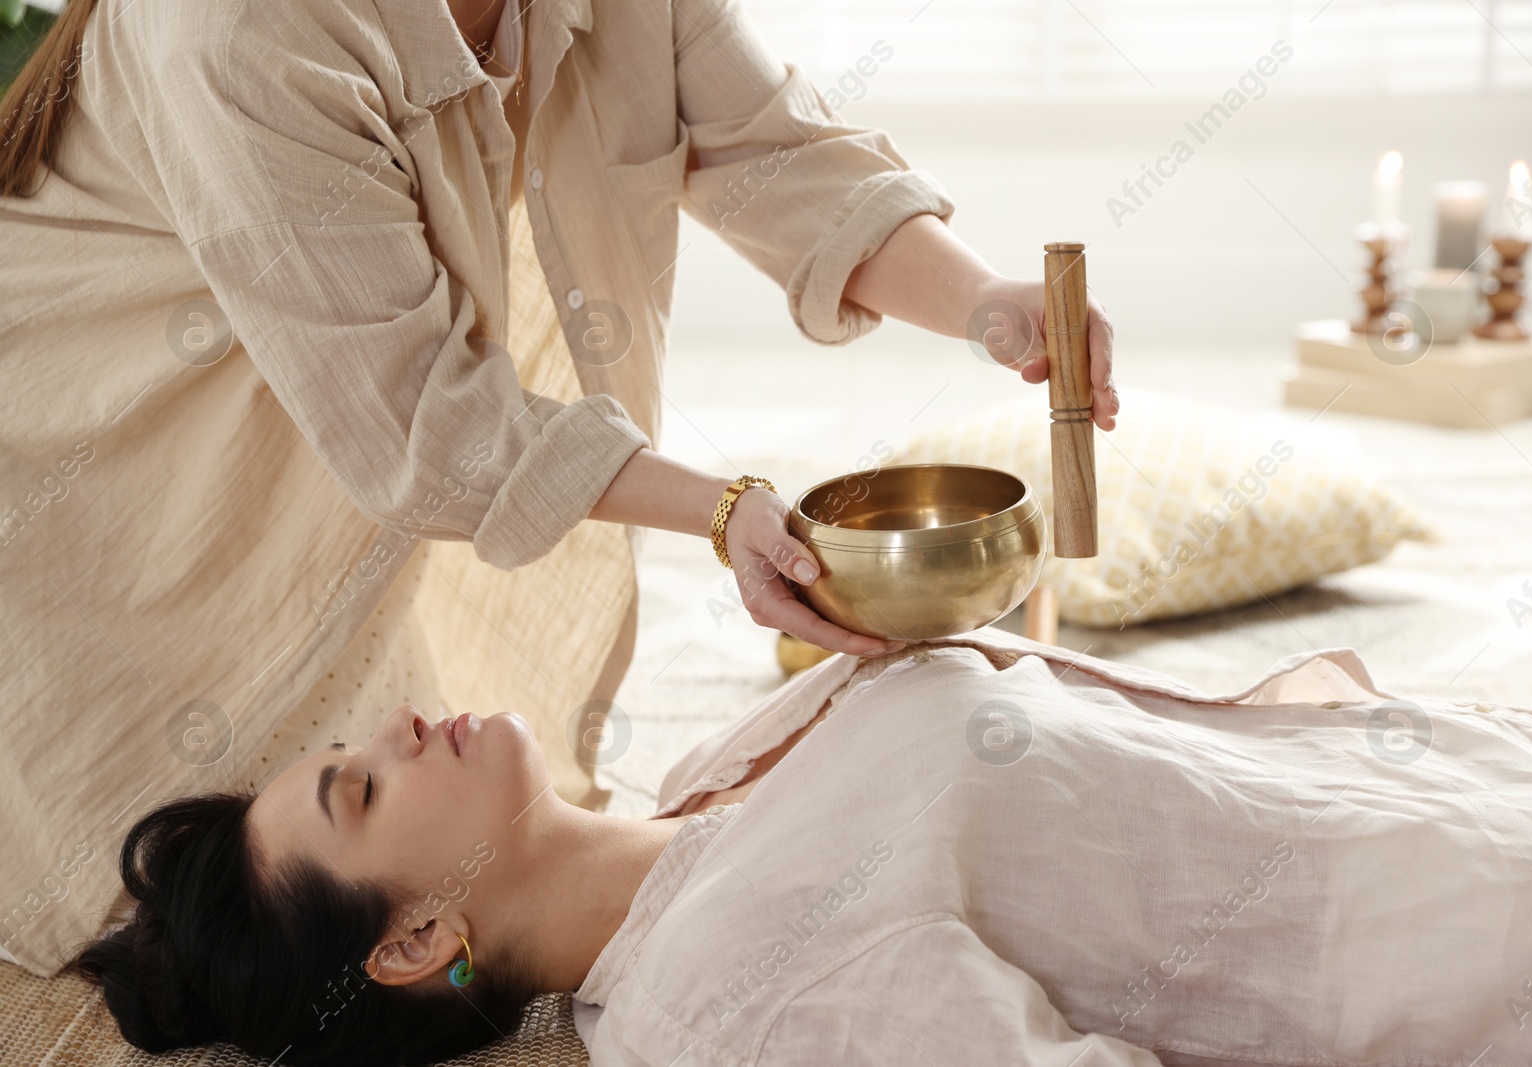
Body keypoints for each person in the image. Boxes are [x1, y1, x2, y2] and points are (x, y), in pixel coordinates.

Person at [0, 0, 1117, 976]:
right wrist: (724, 512)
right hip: (99, 465)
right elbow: (427, 425)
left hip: (344, 424)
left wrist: (990, 306)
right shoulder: (231, 27)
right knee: (227, 907)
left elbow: (772, 151)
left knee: (437, 835)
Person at [71, 625, 1532, 1065]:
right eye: (360, 785)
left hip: (1470, 765)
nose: (400, 721)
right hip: (1490, 930)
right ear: (411, 941)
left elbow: (1037, 737)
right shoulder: (729, 998)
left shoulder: (704, 768)